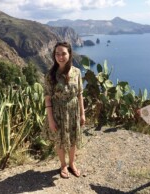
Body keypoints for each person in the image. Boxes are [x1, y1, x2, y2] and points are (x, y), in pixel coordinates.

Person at [44, 41, 85, 179]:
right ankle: (63, 165)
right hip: (57, 112)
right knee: (60, 140)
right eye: (57, 54)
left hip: (73, 111)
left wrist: (82, 114)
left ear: (69, 54)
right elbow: (48, 98)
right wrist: (50, 120)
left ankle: (72, 164)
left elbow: (80, 94)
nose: (60, 57)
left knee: (73, 139)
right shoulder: (50, 75)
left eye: (63, 54)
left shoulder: (77, 72)